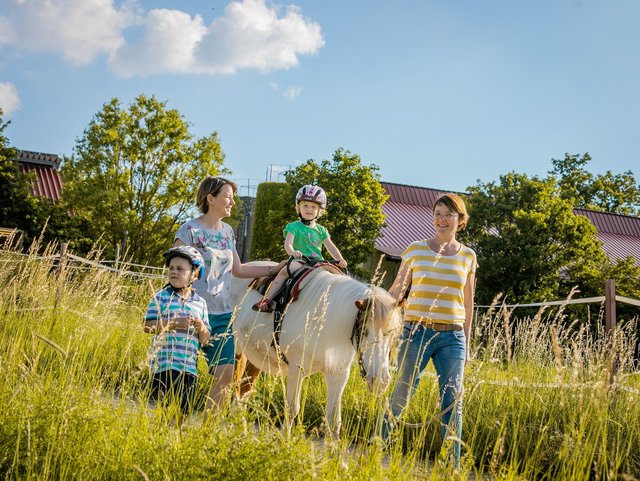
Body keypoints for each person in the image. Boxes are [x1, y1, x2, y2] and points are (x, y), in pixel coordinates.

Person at [173, 176, 287, 411]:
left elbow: (239, 269)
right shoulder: (189, 230)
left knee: (226, 378)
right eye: (228, 196)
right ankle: (172, 431)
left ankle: (207, 433)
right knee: (183, 381)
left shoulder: (227, 232)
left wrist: (275, 269)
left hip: (223, 315)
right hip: (192, 313)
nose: (232, 202)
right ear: (211, 198)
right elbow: (175, 271)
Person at [382, 192, 476, 468]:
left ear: (460, 220)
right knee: (401, 394)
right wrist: (379, 309)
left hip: (453, 337)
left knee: (452, 400)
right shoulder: (414, 250)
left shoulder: (468, 256)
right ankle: (377, 448)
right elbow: (397, 289)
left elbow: (468, 305)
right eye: (437, 213)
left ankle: (452, 466)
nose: (442, 219)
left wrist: (467, 344)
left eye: (448, 214)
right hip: (416, 332)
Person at [252, 184, 348, 313]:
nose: (309, 209)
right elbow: (288, 244)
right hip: (300, 260)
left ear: (320, 211)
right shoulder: (293, 226)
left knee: (340, 278)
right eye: (305, 205)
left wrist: (340, 259)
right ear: (298, 208)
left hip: (318, 262)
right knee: (285, 271)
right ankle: (267, 300)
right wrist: (292, 252)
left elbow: (331, 246)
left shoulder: (321, 230)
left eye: (314, 207)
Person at [143, 246, 211, 423]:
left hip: (189, 368)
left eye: (180, 269)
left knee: (183, 412)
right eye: (171, 268)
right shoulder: (161, 297)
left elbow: (205, 339)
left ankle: (172, 439)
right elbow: (148, 326)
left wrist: (201, 328)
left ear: (195, 275)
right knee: (165, 409)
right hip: (164, 365)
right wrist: (173, 323)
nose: (174, 272)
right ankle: (161, 436)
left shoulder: (201, 303)